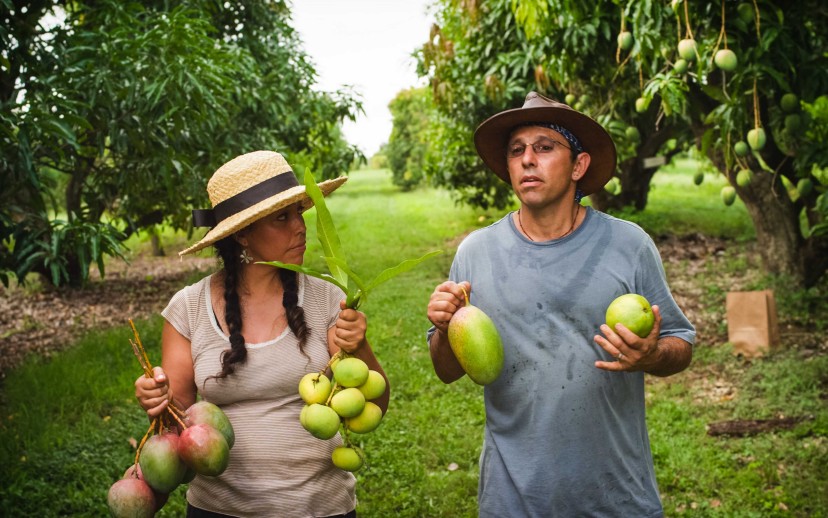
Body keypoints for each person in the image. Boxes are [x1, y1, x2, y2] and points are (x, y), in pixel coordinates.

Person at [426, 92, 695, 517]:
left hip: (616, 496)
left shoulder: (628, 245)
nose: (527, 159)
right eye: (517, 151)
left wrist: (652, 354)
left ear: (579, 165)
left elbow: (681, 345)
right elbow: (446, 370)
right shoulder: (475, 254)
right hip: (513, 498)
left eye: (545, 147)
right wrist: (444, 328)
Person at [135, 150, 389, 517]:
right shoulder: (188, 308)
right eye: (281, 217)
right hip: (218, 508)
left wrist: (358, 345)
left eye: (299, 212)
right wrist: (156, 400)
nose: (300, 226)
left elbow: (376, 406)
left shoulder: (326, 299)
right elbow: (177, 429)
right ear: (242, 236)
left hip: (319, 506)